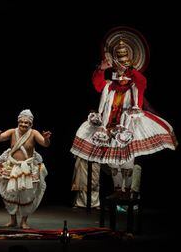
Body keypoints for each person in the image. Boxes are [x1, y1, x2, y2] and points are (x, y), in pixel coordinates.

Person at [71, 30, 177, 199]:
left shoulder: (135, 86)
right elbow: (97, 85)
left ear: (129, 70)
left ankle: (128, 192)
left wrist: (131, 70)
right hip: (109, 125)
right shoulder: (109, 86)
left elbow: (142, 81)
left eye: (123, 71)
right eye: (117, 70)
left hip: (128, 126)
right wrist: (100, 68)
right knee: (112, 160)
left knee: (128, 159)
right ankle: (118, 190)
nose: (120, 75)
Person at [0, 109, 51, 229]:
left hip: (27, 167)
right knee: (11, 193)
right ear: (18, 122)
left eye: (27, 123)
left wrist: (46, 138)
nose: (24, 124)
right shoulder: (12, 132)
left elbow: (45, 144)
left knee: (27, 194)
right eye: (22, 122)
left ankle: (24, 221)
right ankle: (12, 220)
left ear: (31, 124)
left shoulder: (34, 133)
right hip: (12, 166)